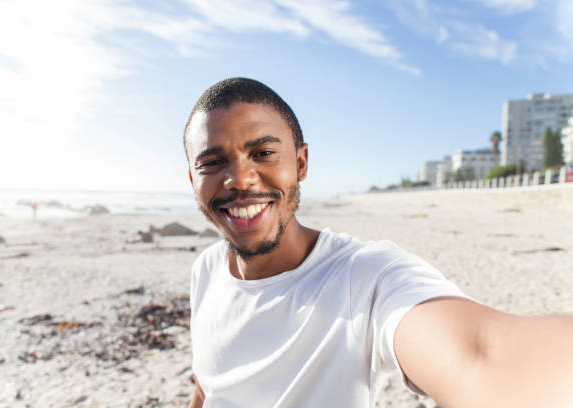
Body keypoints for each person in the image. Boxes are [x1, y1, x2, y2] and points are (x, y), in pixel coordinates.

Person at [184, 78, 573, 408]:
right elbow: (209, 383)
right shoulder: (206, 269)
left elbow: (482, 355)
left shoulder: (366, 277)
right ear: (192, 180)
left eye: (264, 153)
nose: (240, 179)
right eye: (212, 163)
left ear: (301, 163)